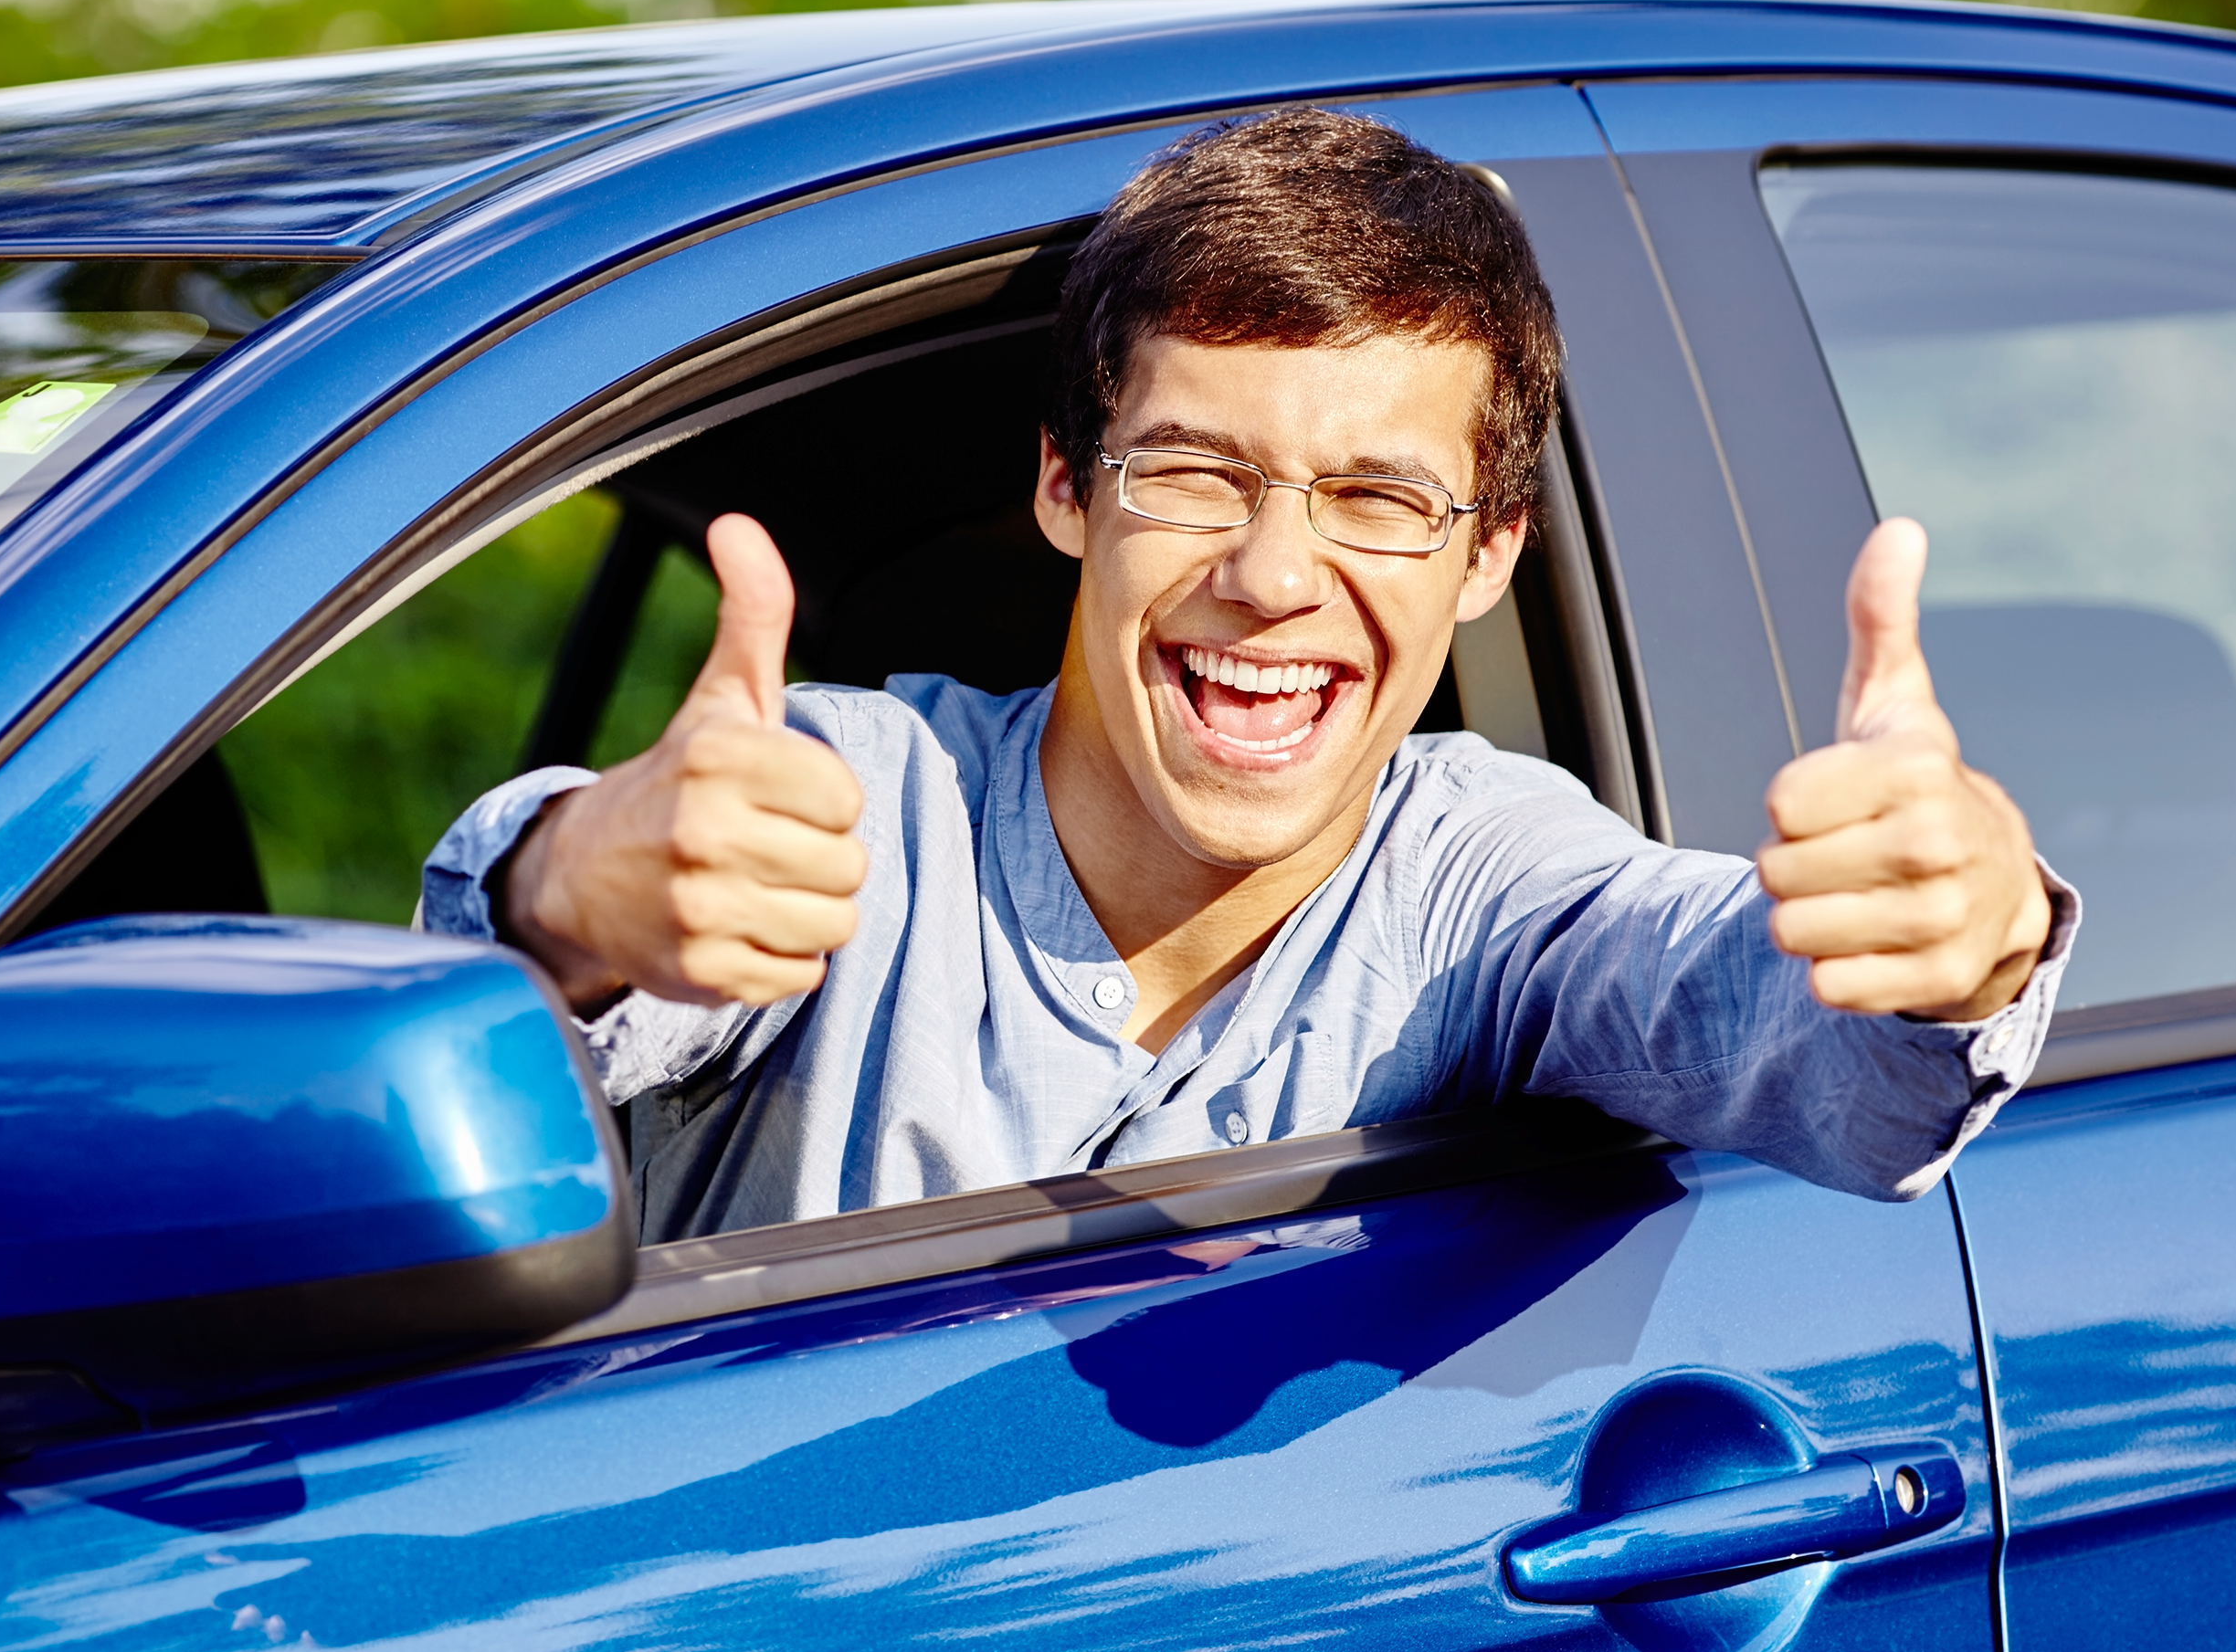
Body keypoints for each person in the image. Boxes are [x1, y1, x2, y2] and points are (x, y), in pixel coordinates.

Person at [425, 109, 2074, 1246]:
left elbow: (1810, 1064)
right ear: (1068, 487)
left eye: (1377, 500)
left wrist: (1964, 940)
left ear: (1488, 554)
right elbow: (518, 1015)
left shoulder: (1483, 881)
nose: (1277, 578)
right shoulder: (855, 792)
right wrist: (574, 887)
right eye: (1199, 473)